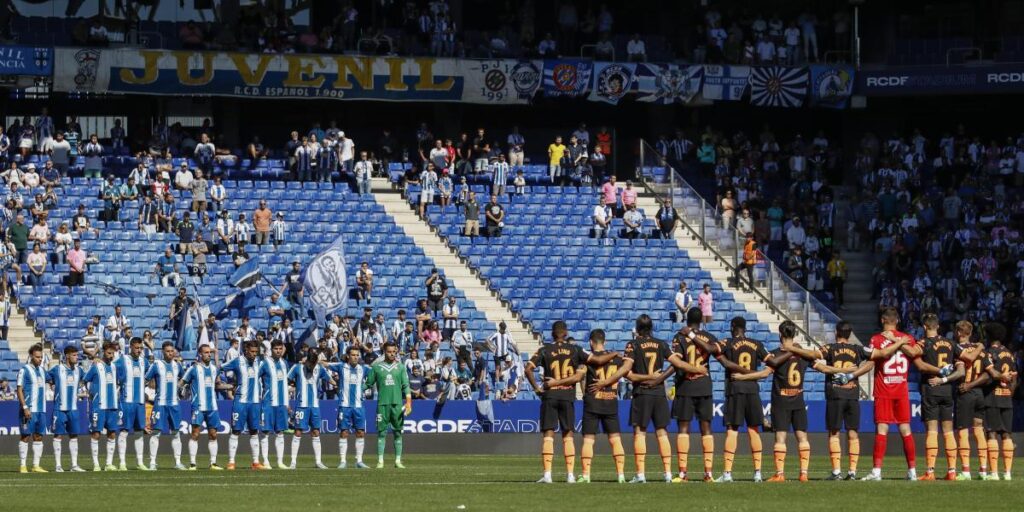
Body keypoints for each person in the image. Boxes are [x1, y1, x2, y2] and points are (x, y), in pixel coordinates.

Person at [525, 321, 615, 484]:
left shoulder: (544, 349)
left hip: (550, 396)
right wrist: (615, 354)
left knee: (548, 434)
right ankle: (570, 475)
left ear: (552, 333)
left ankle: (547, 475)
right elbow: (598, 361)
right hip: (567, 396)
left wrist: (537, 388)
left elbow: (528, 369)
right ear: (565, 333)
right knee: (568, 435)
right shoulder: (575, 349)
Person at [625, 314, 707, 483]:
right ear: (652, 328)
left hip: (642, 392)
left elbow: (629, 375)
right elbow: (678, 363)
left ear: (638, 328)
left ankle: (640, 474)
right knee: (662, 433)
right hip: (659, 394)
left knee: (640, 432)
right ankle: (668, 473)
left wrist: (646, 377)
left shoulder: (632, 345)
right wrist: (696, 369)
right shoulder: (661, 344)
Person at [860, 307, 923, 481]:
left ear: (882, 320)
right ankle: (912, 471)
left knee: (882, 428)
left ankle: (877, 472)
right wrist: (899, 341)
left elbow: (872, 362)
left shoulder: (877, 339)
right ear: (898, 321)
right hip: (902, 389)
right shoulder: (907, 338)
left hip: (884, 389)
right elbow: (916, 353)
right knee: (905, 428)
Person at [714, 316, 771, 483]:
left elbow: (713, 350)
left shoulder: (728, 342)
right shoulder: (757, 344)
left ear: (733, 327)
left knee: (732, 429)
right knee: (754, 429)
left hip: (735, 389)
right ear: (745, 328)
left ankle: (727, 473)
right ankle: (758, 473)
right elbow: (771, 363)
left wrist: (722, 360)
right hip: (753, 389)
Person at [814, 321, 872, 480]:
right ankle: (852, 472)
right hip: (852, 395)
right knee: (853, 433)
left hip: (835, 395)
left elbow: (814, 358)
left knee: (834, 433)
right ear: (850, 334)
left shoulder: (830, 348)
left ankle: (836, 471)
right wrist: (853, 373)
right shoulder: (858, 349)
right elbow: (874, 359)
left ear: (836, 332)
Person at [764, 321, 820, 482]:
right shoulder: (803, 354)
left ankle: (780, 474)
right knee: (802, 437)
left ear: (780, 334)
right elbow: (821, 367)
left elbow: (766, 372)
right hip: (799, 400)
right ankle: (804, 473)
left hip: (781, 401)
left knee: (780, 437)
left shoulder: (775, 354)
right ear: (794, 334)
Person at [668, 308, 721, 482]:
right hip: (705, 385)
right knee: (706, 428)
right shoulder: (710, 337)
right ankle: (709, 473)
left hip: (685, 386)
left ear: (687, 319)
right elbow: (715, 352)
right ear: (701, 320)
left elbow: (677, 363)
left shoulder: (680, 336)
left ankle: (683, 473)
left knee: (684, 428)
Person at [910, 313, 963, 480]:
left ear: (925, 327)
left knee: (932, 431)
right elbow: (964, 364)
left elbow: (917, 361)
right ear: (937, 326)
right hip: (947, 390)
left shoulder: (924, 343)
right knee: (948, 431)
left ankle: (930, 471)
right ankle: (952, 471)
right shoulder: (950, 343)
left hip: (931, 387)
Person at [577, 329, 633, 484]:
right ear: (605, 341)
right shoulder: (616, 359)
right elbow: (629, 375)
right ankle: (621, 475)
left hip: (592, 402)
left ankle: (586, 475)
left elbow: (580, 376)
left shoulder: (589, 359)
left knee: (588, 440)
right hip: (611, 402)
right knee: (615, 440)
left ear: (590, 342)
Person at [953, 320, 1004, 480]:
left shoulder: (958, 349)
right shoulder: (981, 351)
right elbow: (990, 373)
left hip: (965, 392)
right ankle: (983, 469)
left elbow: (961, 371)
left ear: (959, 333)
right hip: (979, 394)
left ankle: (966, 471)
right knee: (978, 430)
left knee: (962, 430)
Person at [220, 341, 267, 471]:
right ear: (246, 350)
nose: (254, 354)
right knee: (236, 431)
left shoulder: (260, 362)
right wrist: (222, 382)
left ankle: (256, 462)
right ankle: (231, 462)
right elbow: (219, 368)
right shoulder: (237, 361)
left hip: (255, 403)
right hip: (240, 402)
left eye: (256, 352)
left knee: (254, 431)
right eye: (252, 352)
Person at [365, 342, 412, 469]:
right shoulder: (376, 367)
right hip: (382, 404)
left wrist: (408, 403)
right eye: (389, 352)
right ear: (384, 352)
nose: (392, 354)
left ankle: (397, 461)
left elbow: (406, 386)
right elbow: (367, 384)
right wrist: (356, 390)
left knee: (398, 433)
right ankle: (380, 461)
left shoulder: (401, 367)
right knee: (381, 433)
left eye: (394, 352)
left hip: (397, 405)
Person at [325, 345, 371, 469]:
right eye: (353, 355)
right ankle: (343, 461)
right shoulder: (341, 366)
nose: (355, 357)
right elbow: (325, 364)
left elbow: (376, 373)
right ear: (348, 356)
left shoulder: (364, 369)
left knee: (360, 432)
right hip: (344, 406)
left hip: (358, 406)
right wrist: (310, 360)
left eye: (357, 355)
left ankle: (359, 461)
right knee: (344, 432)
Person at [982, 322, 1017, 481]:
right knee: (1007, 434)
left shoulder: (989, 353)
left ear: (989, 336)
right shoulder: (1009, 354)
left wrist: (1000, 377)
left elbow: (993, 375)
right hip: (1006, 398)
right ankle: (1008, 473)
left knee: (992, 433)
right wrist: (1010, 392)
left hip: (992, 397)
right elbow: (1015, 378)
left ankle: (994, 473)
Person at [145, 341, 187, 470]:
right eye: (168, 351)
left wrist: (181, 388)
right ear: (163, 352)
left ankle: (178, 462)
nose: (170, 353)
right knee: (156, 432)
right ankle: (152, 462)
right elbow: (146, 379)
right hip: (160, 404)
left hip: (174, 404)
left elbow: (183, 379)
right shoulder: (157, 365)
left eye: (172, 351)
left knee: (176, 433)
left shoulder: (177, 365)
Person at [182, 344, 223, 470]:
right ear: (200, 354)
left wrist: (232, 387)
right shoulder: (194, 369)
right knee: (195, 434)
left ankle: (213, 463)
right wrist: (179, 390)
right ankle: (193, 463)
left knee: (213, 434)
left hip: (212, 407)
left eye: (209, 352)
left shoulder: (214, 369)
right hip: (198, 406)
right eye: (206, 352)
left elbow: (218, 385)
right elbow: (182, 382)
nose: (208, 354)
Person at [83, 342, 123, 472]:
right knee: (96, 433)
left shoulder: (114, 367)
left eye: (113, 353)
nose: (111, 356)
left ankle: (108, 464)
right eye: (109, 353)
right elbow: (85, 379)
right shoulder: (96, 366)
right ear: (103, 352)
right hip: (98, 406)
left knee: (112, 433)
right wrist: (90, 393)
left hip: (112, 406)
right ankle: (95, 464)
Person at [114, 337, 150, 471]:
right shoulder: (123, 360)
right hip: (126, 402)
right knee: (123, 431)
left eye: (141, 348)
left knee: (139, 432)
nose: (139, 350)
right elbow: (110, 367)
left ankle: (140, 462)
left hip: (140, 402)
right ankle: (122, 462)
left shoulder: (144, 362)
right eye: (137, 348)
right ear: (130, 347)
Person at [48, 346, 86, 472]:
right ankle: (58, 465)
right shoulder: (57, 369)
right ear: (67, 356)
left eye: (77, 355)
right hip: (59, 408)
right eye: (74, 355)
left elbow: (87, 379)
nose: (77, 357)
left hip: (73, 409)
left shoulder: (79, 370)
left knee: (74, 436)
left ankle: (74, 465)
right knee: (58, 435)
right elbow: (47, 379)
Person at [258, 340, 291, 469]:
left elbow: (285, 384)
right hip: (268, 403)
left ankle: (280, 462)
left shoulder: (284, 363)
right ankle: (265, 461)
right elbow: (256, 378)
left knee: (280, 432)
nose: (278, 351)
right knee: (265, 432)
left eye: (280, 348)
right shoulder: (265, 363)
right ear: (271, 350)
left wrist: (287, 402)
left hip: (282, 403)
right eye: (276, 348)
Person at [17, 344, 48, 473]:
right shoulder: (24, 370)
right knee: (25, 436)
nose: (40, 359)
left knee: (38, 436)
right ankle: (23, 465)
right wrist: (25, 407)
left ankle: (36, 465)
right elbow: (19, 389)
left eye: (41, 357)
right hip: (29, 409)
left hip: (41, 410)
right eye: (37, 357)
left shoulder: (42, 371)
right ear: (31, 356)